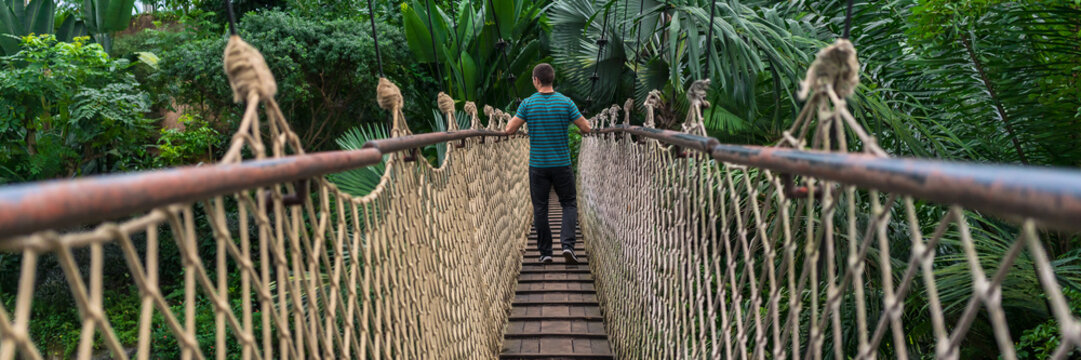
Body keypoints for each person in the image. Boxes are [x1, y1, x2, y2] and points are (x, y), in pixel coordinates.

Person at [504, 63, 591, 264]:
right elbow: (586, 127)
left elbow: (509, 130)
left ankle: (546, 253)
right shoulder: (566, 102)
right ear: (552, 80)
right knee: (568, 204)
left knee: (540, 208)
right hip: (562, 164)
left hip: (538, 166)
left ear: (536, 80)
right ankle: (568, 246)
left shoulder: (527, 104)